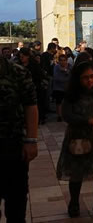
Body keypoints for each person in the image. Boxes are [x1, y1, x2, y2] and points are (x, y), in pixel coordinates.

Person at [56, 61, 93, 217]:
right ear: (77, 79)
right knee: (77, 172)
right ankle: (74, 203)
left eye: (92, 76)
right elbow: (66, 115)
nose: (90, 81)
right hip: (78, 140)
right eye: (85, 77)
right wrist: (86, 120)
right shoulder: (71, 96)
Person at [0, 55, 39, 223]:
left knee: (16, 208)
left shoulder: (17, 72)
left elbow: (31, 105)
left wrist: (31, 140)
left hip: (12, 148)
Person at [18, 48, 49, 125]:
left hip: (35, 88)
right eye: (20, 57)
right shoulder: (18, 65)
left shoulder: (34, 65)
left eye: (23, 57)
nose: (21, 59)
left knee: (38, 105)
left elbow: (40, 75)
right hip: (23, 89)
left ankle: (39, 119)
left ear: (27, 56)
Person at [52, 54, 71, 122]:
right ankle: (59, 116)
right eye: (61, 60)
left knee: (68, 102)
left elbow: (71, 76)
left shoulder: (70, 66)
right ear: (59, 61)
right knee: (59, 102)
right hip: (58, 87)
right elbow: (56, 77)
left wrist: (65, 71)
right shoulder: (56, 67)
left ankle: (67, 114)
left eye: (64, 60)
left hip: (67, 87)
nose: (63, 62)